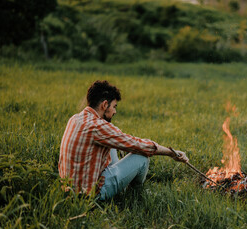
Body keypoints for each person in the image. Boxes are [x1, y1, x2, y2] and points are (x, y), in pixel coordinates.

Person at [58, 80, 189, 200]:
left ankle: (122, 182)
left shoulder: (75, 118)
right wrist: (172, 153)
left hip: (70, 189)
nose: (114, 111)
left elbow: (118, 139)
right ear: (104, 104)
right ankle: (134, 196)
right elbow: (138, 145)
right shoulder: (97, 126)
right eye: (114, 106)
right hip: (89, 195)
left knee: (113, 141)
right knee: (141, 158)